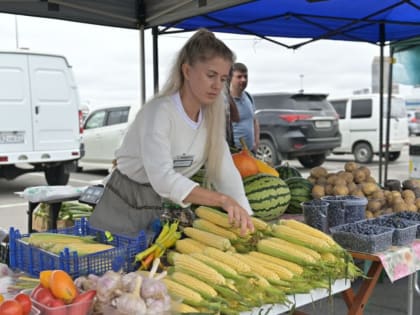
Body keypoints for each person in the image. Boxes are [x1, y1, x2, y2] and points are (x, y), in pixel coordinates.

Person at [88, 28, 254, 237]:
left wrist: (248, 218)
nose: (217, 86)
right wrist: (221, 199)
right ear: (187, 71)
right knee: (120, 268)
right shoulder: (158, 112)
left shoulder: (210, 119)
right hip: (125, 202)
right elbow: (163, 178)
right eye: (210, 75)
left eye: (222, 79)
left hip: (167, 207)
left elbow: (226, 174)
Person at [229, 62, 260, 152]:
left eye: (245, 76)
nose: (243, 80)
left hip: (250, 152)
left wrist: (256, 142)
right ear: (230, 78)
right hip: (235, 152)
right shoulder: (225, 101)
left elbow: (254, 120)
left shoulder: (249, 97)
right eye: (239, 77)